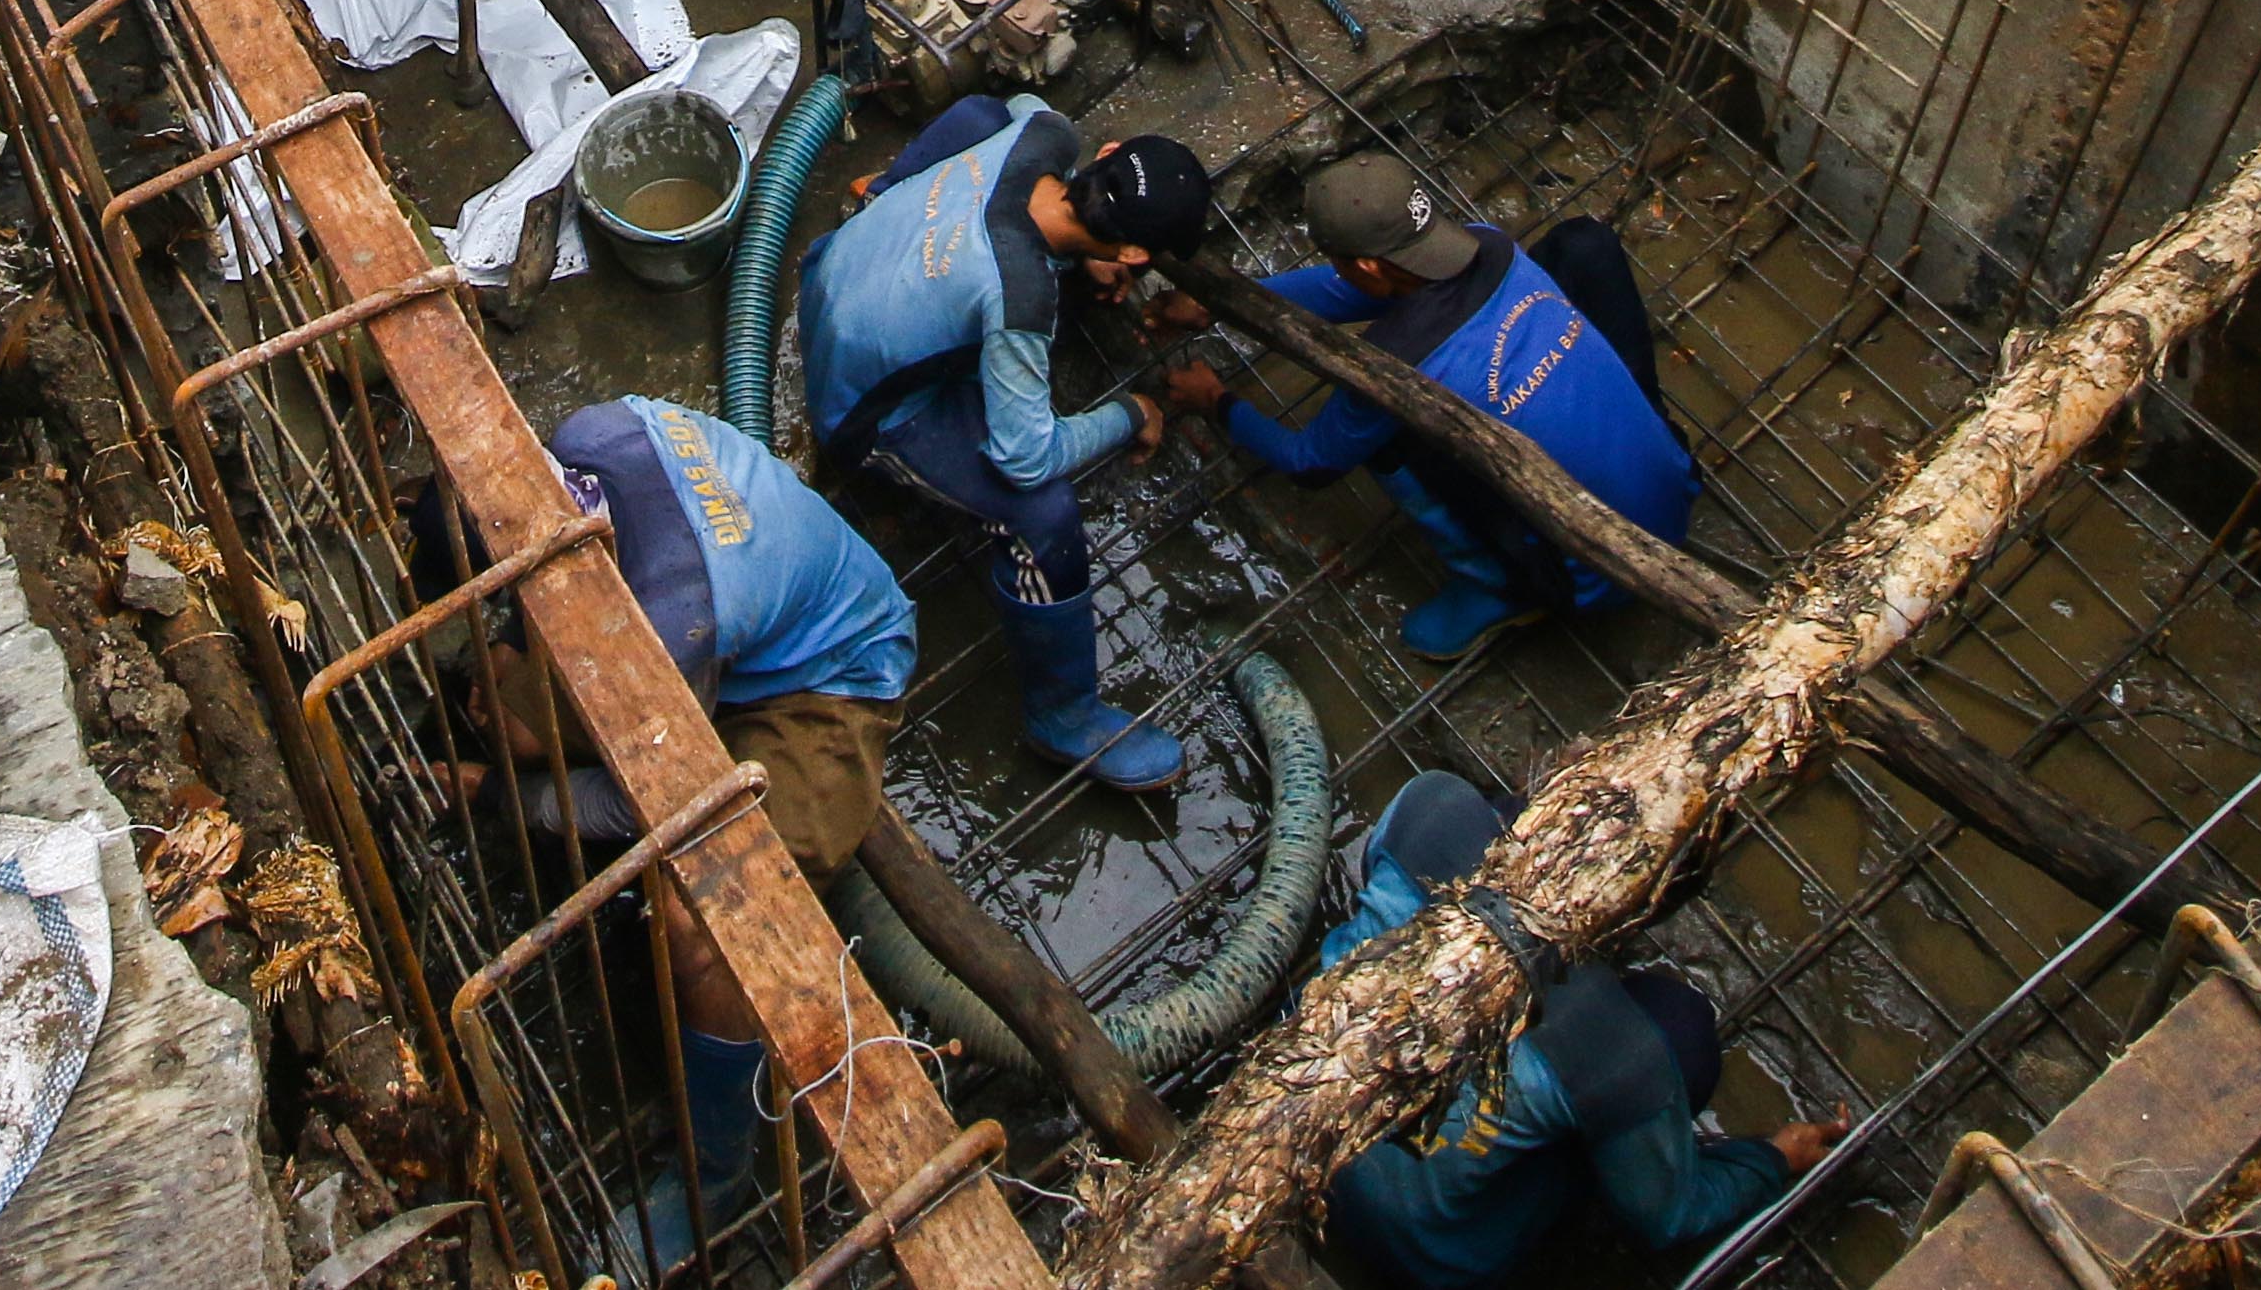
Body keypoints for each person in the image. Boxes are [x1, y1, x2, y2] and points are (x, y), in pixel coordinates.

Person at [442, 397, 916, 1274]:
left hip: (827, 683)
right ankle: (547, 737)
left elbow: (654, 805)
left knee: (704, 918)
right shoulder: (584, 442)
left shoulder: (676, 612)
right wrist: (518, 687)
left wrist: (514, 804)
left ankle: (716, 1170)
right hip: (712, 639)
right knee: (497, 706)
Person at [793, 89, 1213, 791]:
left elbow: (1019, 101)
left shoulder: (1047, 134)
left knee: (985, 115)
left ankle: (888, 194)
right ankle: (1063, 715)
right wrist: (1130, 413)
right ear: (1137, 251)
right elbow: (1025, 457)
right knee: (1039, 516)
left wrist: (1082, 256)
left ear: (1103, 155)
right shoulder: (1020, 296)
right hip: (862, 406)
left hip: (836, 270)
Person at [1158, 155, 1699, 662]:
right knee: (1581, 245)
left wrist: (1216, 401)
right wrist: (1219, 301)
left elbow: (1310, 462)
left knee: (1388, 433)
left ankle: (1502, 587)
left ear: (1368, 265)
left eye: (1341, 259)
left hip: (1604, 574)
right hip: (1674, 481)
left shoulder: (1395, 366)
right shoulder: (1489, 246)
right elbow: (1354, 290)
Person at [1316, 774, 1837, 1290]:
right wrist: (1772, 1159)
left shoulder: (1432, 805)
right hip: (1427, 1257)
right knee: (1683, 1037)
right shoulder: (1618, 1052)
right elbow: (1668, 1219)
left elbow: (1371, 868)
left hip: (1296, 1125)